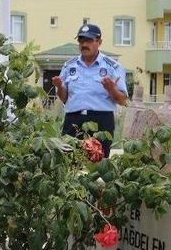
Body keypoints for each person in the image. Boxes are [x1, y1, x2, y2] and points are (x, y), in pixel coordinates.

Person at [53, 23, 128, 157]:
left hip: (101, 121)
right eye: (81, 41)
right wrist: (59, 87)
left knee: (98, 163)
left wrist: (111, 89)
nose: (84, 44)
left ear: (99, 42)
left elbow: (122, 100)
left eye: (89, 40)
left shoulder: (112, 67)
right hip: (73, 120)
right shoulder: (69, 66)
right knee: (70, 161)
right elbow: (64, 98)